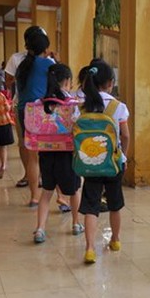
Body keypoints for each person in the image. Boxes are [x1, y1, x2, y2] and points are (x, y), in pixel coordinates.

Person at [78, 60, 130, 264]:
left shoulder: (83, 106)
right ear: (110, 82)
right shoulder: (118, 107)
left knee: (91, 205)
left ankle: (90, 248)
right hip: (114, 163)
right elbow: (125, 135)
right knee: (115, 203)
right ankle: (115, 240)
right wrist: (123, 154)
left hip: (90, 162)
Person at [32, 63, 84, 244]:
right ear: (68, 81)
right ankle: (76, 223)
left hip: (46, 152)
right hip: (67, 154)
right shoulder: (71, 103)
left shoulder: (41, 102)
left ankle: (40, 229)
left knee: (46, 192)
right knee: (74, 190)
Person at [5, 25, 48, 189]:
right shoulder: (16, 59)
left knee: (34, 144)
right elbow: (8, 81)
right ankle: (29, 174)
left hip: (32, 107)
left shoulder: (46, 61)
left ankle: (40, 176)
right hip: (25, 106)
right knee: (25, 144)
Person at [16, 30, 55, 207]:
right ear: (46, 48)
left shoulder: (22, 65)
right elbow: (56, 85)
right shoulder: (47, 64)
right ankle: (60, 195)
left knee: (32, 157)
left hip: (24, 111)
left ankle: (34, 196)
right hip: (40, 111)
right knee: (50, 154)